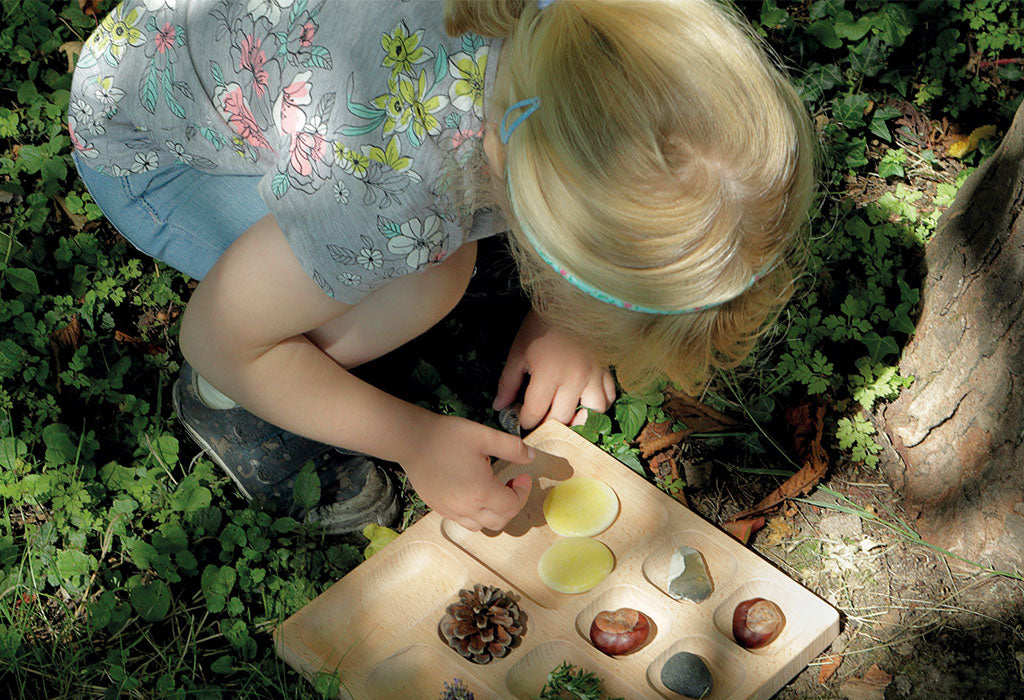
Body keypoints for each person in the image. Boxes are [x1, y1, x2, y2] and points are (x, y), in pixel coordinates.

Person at [68, 0, 814, 534]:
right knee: (433, 274)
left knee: (435, 253)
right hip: (158, 152)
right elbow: (218, 333)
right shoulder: (395, 189)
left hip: (232, 51)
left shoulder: (606, 34)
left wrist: (566, 316)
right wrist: (416, 441)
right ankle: (225, 407)